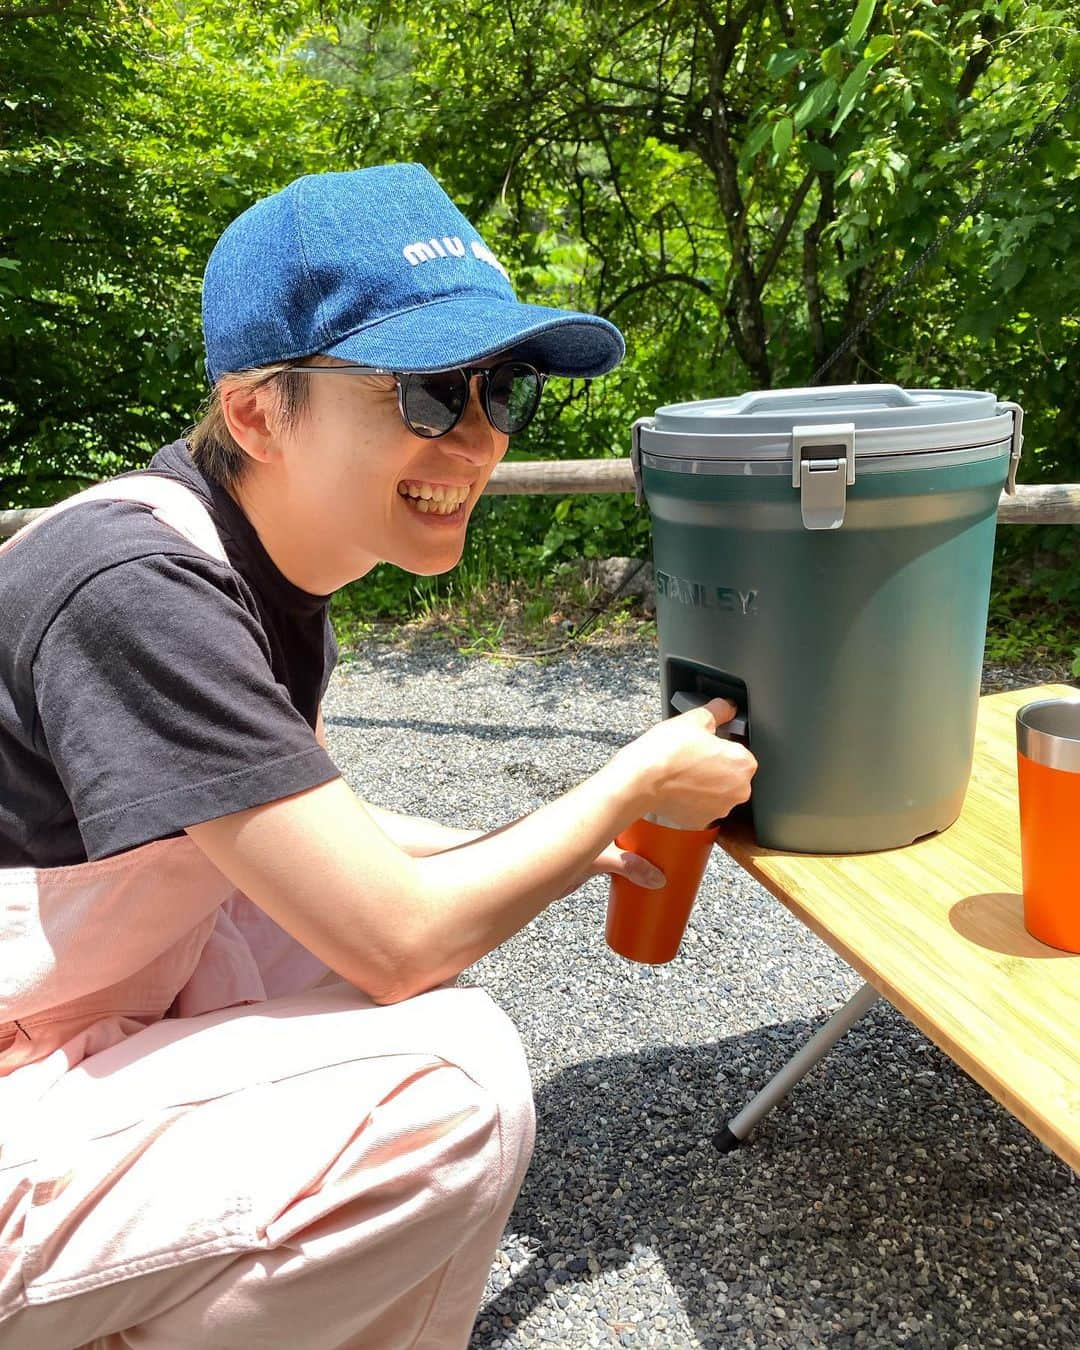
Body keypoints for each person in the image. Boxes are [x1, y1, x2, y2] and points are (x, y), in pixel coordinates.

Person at [0, 163, 756, 1348]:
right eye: (420, 393)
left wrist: (528, 842)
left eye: (501, 390)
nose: (475, 438)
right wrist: (631, 781)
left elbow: (292, 825)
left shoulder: (262, 564)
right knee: (448, 1084)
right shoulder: (139, 588)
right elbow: (397, 936)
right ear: (256, 412)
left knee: (335, 963)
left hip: (63, 1025)